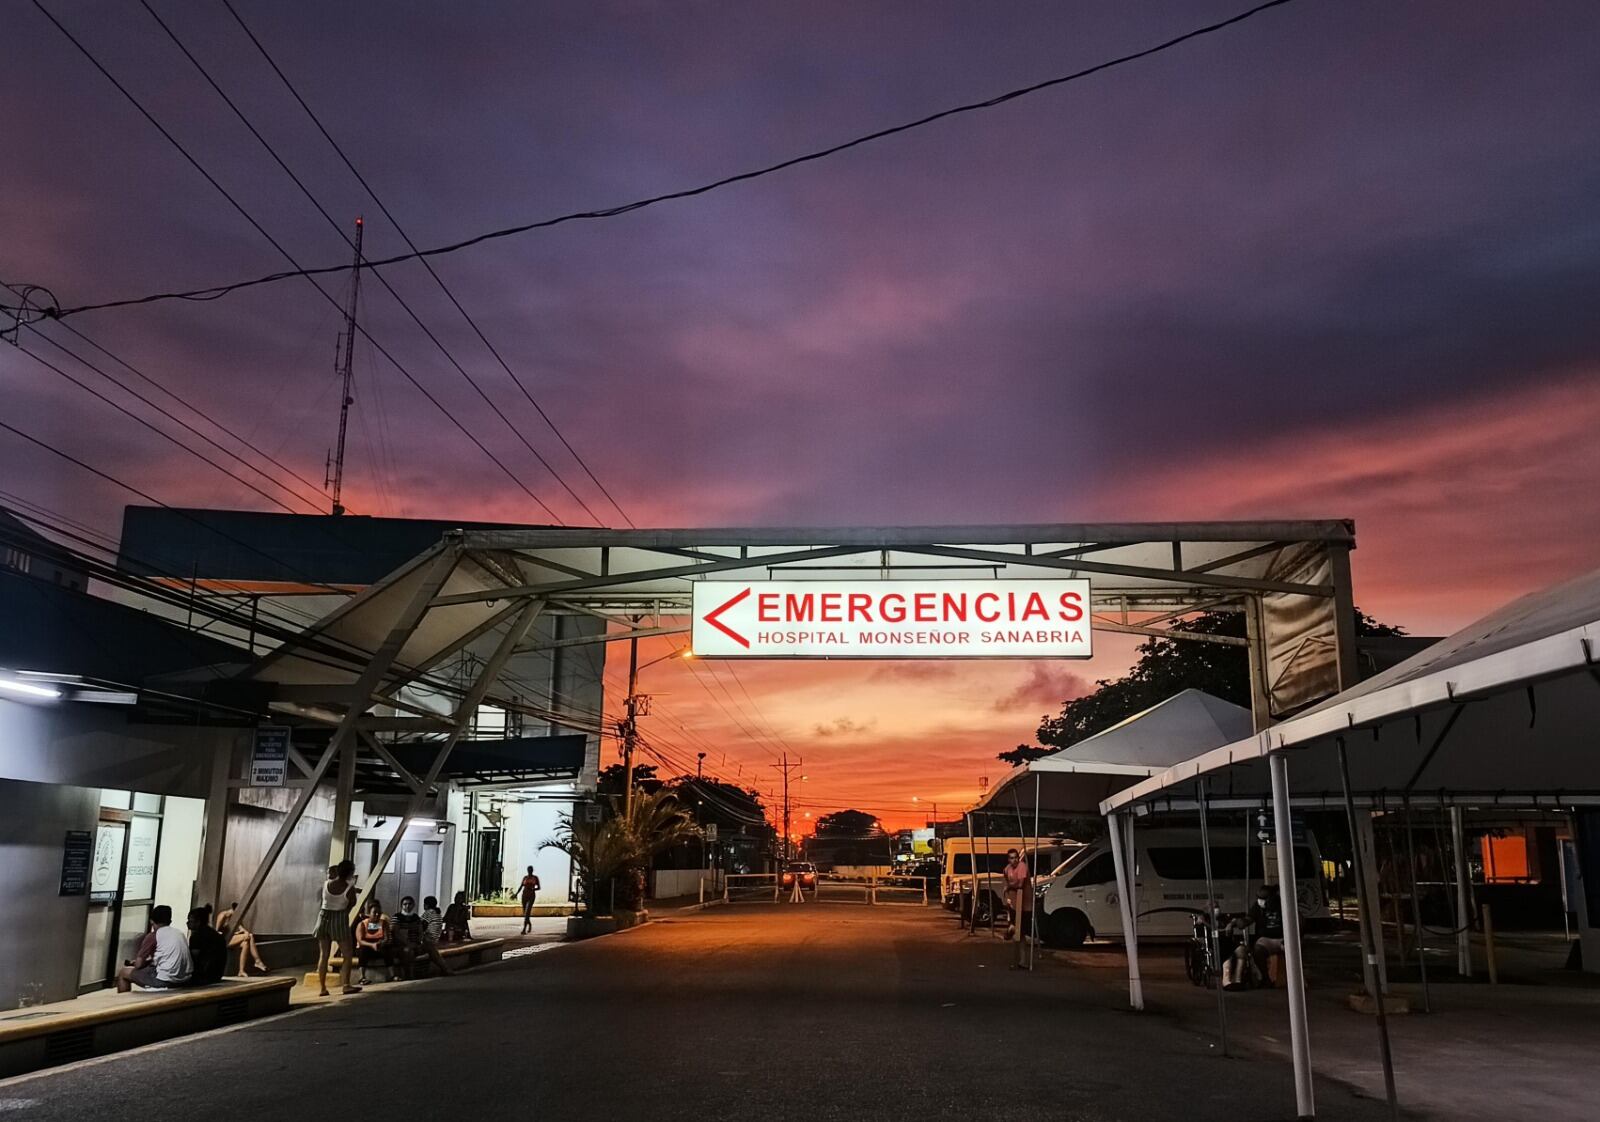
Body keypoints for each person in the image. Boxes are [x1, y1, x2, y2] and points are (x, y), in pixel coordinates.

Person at [116, 905, 193, 992]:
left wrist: (138, 963)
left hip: (164, 980)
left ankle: (124, 999)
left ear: (151, 921)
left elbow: (138, 964)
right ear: (170, 921)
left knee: (123, 973)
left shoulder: (154, 935)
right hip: (185, 979)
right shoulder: (179, 933)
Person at [314, 860, 361, 997]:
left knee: (324, 955)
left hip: (323, 917)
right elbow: (352, 903)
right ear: (350, 873)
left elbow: (323, 900)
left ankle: (322, 988)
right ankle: (346, 985)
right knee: (347, 954)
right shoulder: (349, 888)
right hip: (340, 917)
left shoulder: (326, 884)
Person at [215, 901, 267, 976]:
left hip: (230, 939)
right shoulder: (223, 915)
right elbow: (216, 932)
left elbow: (242, 929)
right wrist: (239, 934)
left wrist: (243, 933)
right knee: (249, 936)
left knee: (246, 943)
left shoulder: (235, 917)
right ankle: (257, 961)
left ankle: (241, 971)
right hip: (222, 940)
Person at [353, 898, 398, 985]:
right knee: (363, 950)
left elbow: (386, 938)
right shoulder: (362, 924)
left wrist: (381, 943)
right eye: (374, 913)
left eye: (379, 913)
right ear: (369, 913)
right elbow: (360, 940)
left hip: (379, 947)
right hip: (366, 947)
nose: (377, 915)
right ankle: (362, 977)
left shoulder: (383, 923)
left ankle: (392, 975)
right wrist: (371, 945)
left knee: (388, 950)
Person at [1249, 883, 1286, 987]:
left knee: (1291, 949)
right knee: (1258, 950)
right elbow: (1249, 918)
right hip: (1266, 939)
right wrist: (1238, 922)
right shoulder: (1258, 906)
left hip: (1283, 938)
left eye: (1263, 898)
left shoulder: (1282, 904)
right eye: (1259, 898)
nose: (1260, 901)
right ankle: (1265, 978)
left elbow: (1299, 921)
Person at [186, 905, 228, 986]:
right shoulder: (215, 934)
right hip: (217, 975)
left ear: (198, 922)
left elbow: (193, 958)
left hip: (203, 976)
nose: (187, 923)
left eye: (190, 921)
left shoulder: (197, 936)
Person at [1003, 848, 1031, 943]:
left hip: (1025, 903)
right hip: (1014, 902)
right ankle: (1012, 929)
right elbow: (1006, 880)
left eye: (1016, 857)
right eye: (1012, 858)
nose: (1014, 860)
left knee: (1022, 930)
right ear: (1008, 859)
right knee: (1015, 923)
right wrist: (1008, 893)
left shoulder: (1022, 866)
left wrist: (1009, 886)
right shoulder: (1007, 868)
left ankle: (1014, 931)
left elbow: (1020, 884)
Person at [420, 896, 453, 976]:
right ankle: (445, 969)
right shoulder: (438, 914)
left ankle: (445, 969)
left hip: (428, 939)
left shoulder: (429, 913)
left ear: (426, 905)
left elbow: (422, 926)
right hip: (435, 940)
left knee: (429, 948)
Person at [517, 866, 541, 934]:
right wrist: (516, 894)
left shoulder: (535, 878)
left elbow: (539, 887)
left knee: (527, 912)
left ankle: (524, 929)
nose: (530, 871)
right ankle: (529, 923)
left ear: (532, 870)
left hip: (531, 895)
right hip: (524, 895)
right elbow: (521, 886)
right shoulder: (525, 877)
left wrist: (533, 889)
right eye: (529, 870)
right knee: (525, 913)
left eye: (531, 870)